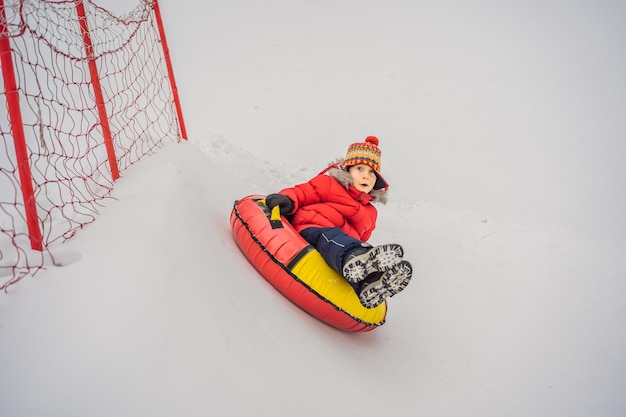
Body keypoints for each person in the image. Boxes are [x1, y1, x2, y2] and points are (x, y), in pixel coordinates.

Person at [265, 136, 412, 309]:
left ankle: (371, 283)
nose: (367, 175)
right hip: (313, 230)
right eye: (360, 169)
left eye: (372, 172)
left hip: (340, 249)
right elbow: (304, 192)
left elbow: (361, 237)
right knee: (336, 240)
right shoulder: (329, 184)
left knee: (350, 255)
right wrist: (288, 199)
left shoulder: (371, 213)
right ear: (347, 169)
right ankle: (358, 256)